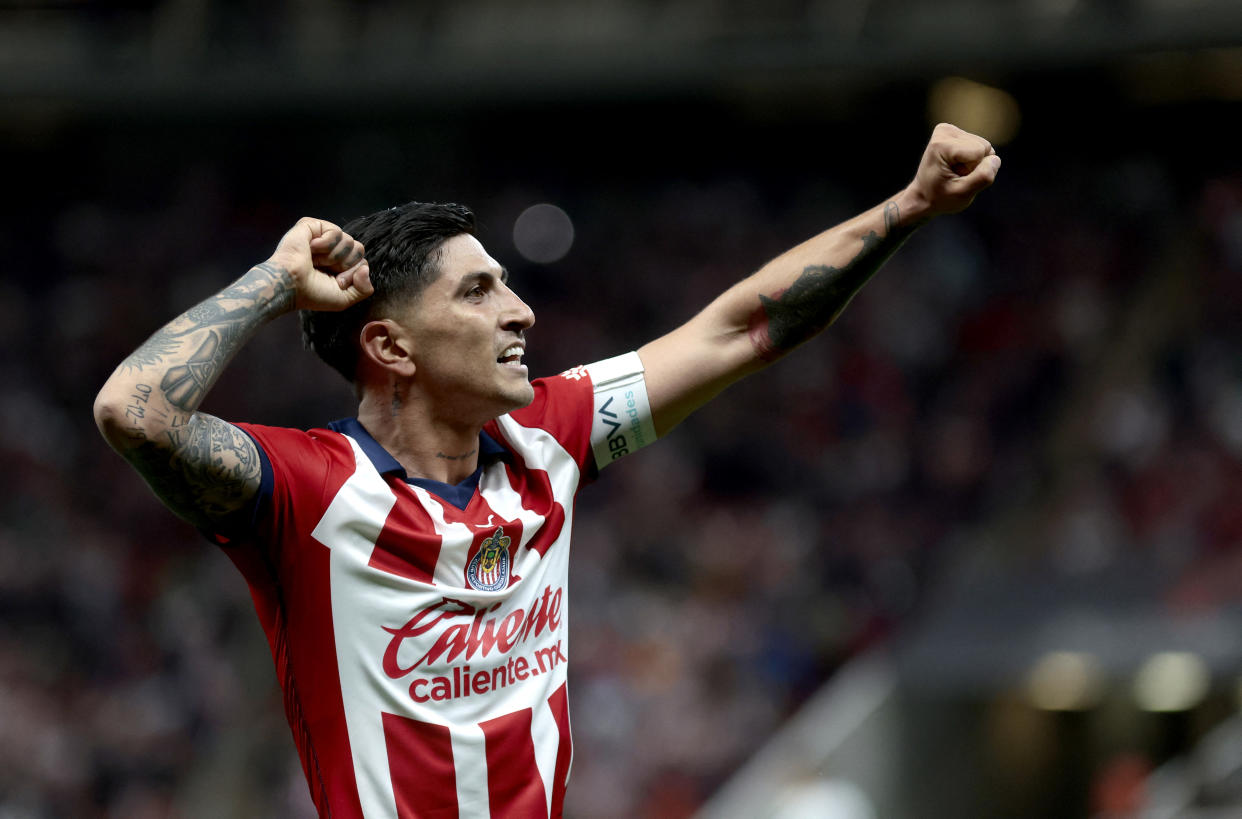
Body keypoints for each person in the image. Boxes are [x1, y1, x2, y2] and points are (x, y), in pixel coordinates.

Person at [93, 123, 1000, 818]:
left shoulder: (549, 433)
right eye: (479, 291)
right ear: (389, 344)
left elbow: (743, 329)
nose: (522, 311)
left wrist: (909, 207)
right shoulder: (304, 490)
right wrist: (271, 280)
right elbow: (133, 411)